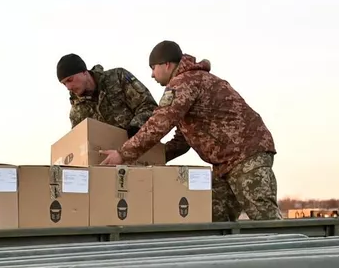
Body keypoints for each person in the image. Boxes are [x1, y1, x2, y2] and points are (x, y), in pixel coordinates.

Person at [102, 41, 282, 222]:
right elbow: (182, 140)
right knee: (212, 218)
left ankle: (294, 249)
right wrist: (153, 159)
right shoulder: (191, 81)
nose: (151, 74)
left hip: (246, 157)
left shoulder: (184, 82)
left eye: (153, 67)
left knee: (266, 220)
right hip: (227, 164)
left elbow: (160, 123)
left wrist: (123, 154)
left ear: (167, 65)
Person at [58, 53, 158, 137]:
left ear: (84, 72)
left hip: (141, 149)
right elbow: (80, 145)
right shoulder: (76, 113)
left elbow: (149, 106)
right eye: (64, 84)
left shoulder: (118, 77)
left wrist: (136, 127)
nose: (68, 87)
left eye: (70, 80)